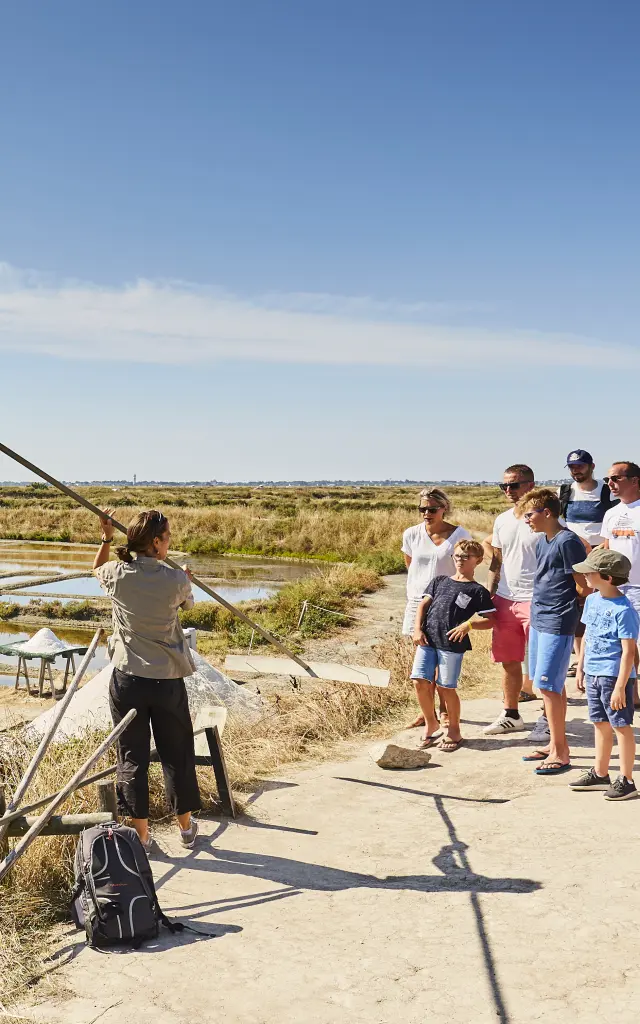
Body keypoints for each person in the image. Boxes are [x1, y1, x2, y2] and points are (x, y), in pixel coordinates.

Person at [94, 507, 201, 852]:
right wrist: (185, 578)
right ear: (156, 543)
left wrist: (106, 538)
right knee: (177, 752)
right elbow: (188, 606)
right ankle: (185, 828)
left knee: (131, 756)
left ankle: (141, 834)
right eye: (167, 537)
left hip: (128, 681)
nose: (169, 542)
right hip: (167, 681)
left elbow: (96, 567)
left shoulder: (118, 575)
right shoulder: (176, 580)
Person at [517, 489, 589, 776]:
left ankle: (561, 752)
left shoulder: (567, 541)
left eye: (529, 514)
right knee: (550, 685)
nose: (526, 520)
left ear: (547, 512)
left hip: (558, 621)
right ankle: (554, 744)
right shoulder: (542, 541)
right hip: (539, 618)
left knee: (548, 685)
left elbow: (583, 585)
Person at [411, 539, 495, 752]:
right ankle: (431, 724)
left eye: (465, 557)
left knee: (446, 687)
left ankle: (455, 731)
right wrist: (416, 629)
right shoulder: (439, 581)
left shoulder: (478, 591)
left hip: (451, 644)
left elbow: (491, 620)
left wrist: (468, 625)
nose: (460, 560)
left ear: (477, 560)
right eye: (457, 556)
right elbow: (423, 605)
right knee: (420, 681)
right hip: (427, 639)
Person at [568, 548, 638, 800]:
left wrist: (621, 686)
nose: (584, 575)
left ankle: (627, 780)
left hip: (613, 676)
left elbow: (629, 651)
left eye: (590, 571)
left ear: (607, 577)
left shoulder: (624, 609)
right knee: (600, 723)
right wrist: (581, 667)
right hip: (594, 672)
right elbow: (586, 635)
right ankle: (600, 773)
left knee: (621, 726)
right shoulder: (593, 600)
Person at [402, 488, 471, 738]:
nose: (427, 514)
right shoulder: (411, 534)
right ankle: (426, 713)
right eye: (422, 509)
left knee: (445, 659)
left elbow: (468, 562)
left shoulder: (459, 534)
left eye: (432, 509)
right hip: (416, 602)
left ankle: (445, 712)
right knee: (423, 662)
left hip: (448, 605)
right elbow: (411, 565)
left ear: (444, 508)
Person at [483, 464, 539, 736]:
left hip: (537, 598)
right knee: (508, 659)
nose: (508, 491)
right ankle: (511, 714)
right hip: (505, 598)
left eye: (514, 485)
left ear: (530, 485)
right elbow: (497, 560)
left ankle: (547, 719)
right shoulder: (502, 520)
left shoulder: (546, 518)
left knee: (542, 663)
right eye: (503, 486)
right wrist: (488, 596)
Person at [558, 449, 617, 678]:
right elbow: (561, 523)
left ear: (591, 466)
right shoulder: (564, 492)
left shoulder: (605, 491)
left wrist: (598, 549)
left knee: (601, 605)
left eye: (580, 466)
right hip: (571, 557)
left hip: (599, 557)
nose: (576, 471)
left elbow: (612, 524)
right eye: (572, 467)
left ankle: (602, 653)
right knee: (576, 606)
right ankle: (580, 658)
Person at [600, 461, 640, 706]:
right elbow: (606, 548)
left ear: (635, 480)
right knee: (624, 644)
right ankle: (632, 694)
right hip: (617, 588)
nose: (610, 484)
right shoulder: (611, 513)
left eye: (615, 478)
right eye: (608, 480)